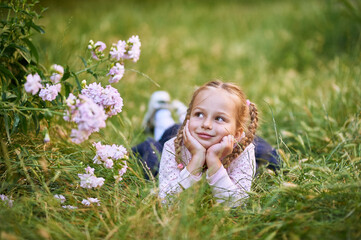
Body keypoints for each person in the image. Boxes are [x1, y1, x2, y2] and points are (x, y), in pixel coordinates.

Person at [132, 80, 280, 206]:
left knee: (265, 151)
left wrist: (214, 162)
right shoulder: (172, 146)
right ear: (189, 118)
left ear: (237, 133)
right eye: (199, 114)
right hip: (181, 135)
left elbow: (236, 203)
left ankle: (178, 112)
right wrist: (196, 160)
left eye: (219, 118)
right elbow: (167, 200)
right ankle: (161, 112)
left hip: (219, 139)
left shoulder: (244, 150)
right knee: (155, 151)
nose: (207, 124)